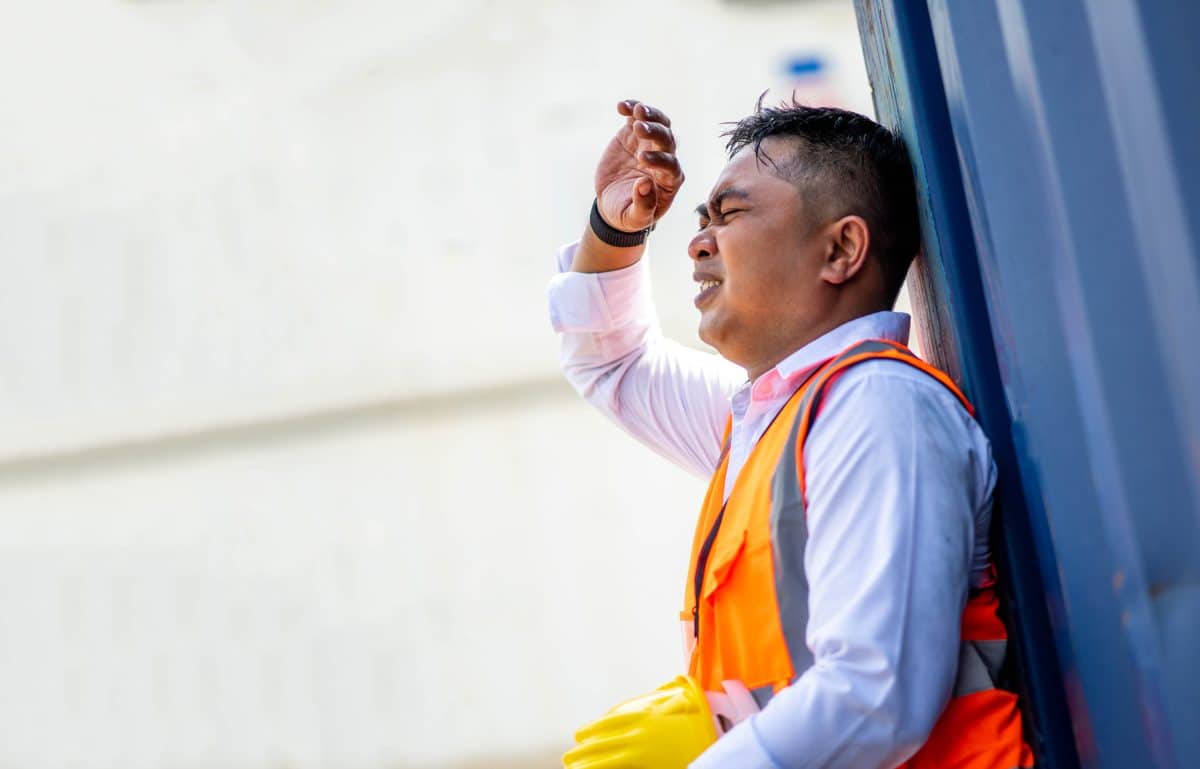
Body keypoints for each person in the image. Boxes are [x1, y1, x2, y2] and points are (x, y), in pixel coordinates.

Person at [550, 97, 1034, 769]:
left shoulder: (878, 407)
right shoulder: (775, 416)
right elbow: (613, 363)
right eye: (701, 220)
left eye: (732, 214)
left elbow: (875, 695)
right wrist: (614, 223)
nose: (696, 242)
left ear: (841, 248)